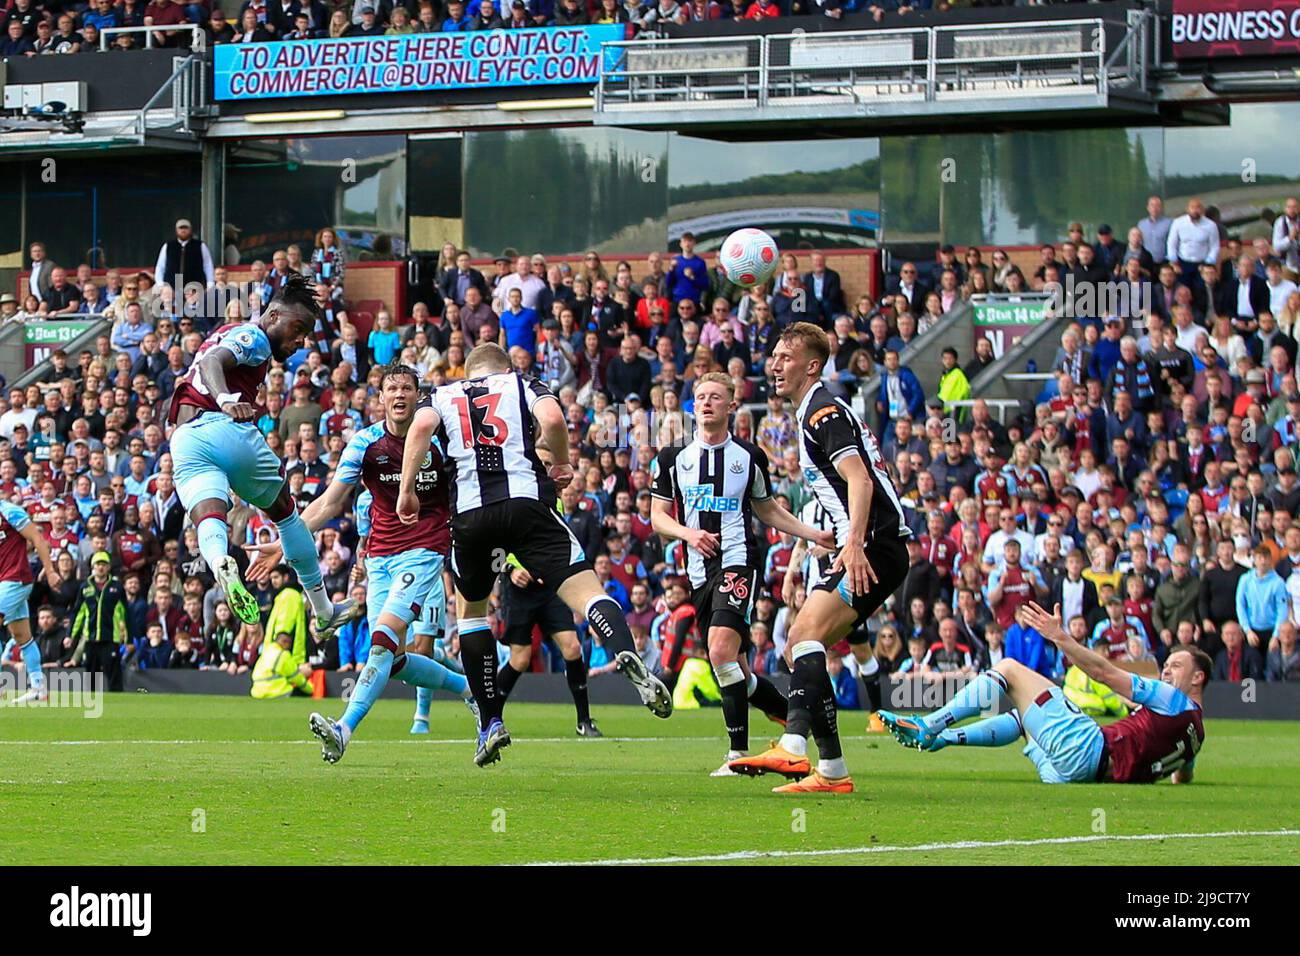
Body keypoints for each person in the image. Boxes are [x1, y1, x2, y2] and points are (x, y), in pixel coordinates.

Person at [396, 343, 673, 766]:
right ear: (506, 367)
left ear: (469, 371)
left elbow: (419, 428)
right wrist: (561, 463)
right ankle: (624, 650)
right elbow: (553, 418)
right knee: (588, 593)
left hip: (471, 516)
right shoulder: (522, 383)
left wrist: (406, 490)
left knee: (471, 616)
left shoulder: (444, 393)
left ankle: (490, 722)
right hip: (527, 506)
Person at [250, 365, 477, 759]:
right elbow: (329, 502)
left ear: (418, 396)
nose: (400, 395)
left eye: (407, 388)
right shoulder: (365, 443)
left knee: (381, 641)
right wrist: (285, 542)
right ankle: (471, 690)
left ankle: (343, 729)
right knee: (394, 659)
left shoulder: (441, 441)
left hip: (424, 550)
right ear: (381, 397)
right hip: (380, 559)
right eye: (392, 389)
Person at [729, 323, 912, 794]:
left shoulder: (822, 412)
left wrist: (854, 543)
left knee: (803, 637)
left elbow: (860, 479)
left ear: (812, 366)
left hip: (874, 546)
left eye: (785, 358)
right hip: (870, 545)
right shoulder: (815, 410)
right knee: (800, 645)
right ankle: (831, 769)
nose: (774, 366)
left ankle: (794, 746)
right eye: (773, 357)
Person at [651, 371, 833, 775]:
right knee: (738, 671)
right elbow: (657, 516)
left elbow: (767, 510)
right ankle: (794, 718)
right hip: (697, 571)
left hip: (738, 561)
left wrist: (813, 533)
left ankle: (737, 756)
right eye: (701, 397)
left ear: (731, 406)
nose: (707, 403)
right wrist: (689, 534)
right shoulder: (672, 458)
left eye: (715, 397)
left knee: (719, 651)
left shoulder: (749, 457)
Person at [166, 274, 356, 637]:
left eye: (305, 335)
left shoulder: (223, 332)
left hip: (186, 439)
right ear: (273, 316)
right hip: (224, 426)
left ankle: (220, 562)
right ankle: (324, 610)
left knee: (209, 515)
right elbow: (212, 365)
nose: (300, 342)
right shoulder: (253, 336)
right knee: (287, 518)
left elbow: (204, 363)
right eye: (297, 329)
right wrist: (226, 400)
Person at [881, 601, 1208, 785]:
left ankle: (931, 724)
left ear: (1198, 677)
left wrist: (1059, 637)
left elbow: (1104, 673)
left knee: (1009, 669)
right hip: (1075, 776)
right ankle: (944, 739)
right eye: (1166, 664)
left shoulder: (1171, 698)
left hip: (1086, 748)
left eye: (1176, 666)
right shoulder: (1197, 734)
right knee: (1024, 717)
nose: (1166, 671)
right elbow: (1183, 775)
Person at [494, 448, 601, 738]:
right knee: (520, 658)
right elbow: (491, 547)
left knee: (573, 647)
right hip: (519, 590)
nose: (546, 467)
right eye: (541, 462)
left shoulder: (555, 500)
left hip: (549, 587)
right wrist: (509, 569)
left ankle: (584, 720)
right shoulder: (506, 496)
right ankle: (490, 717)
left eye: (549, 463)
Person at [0, 499, 61, 703]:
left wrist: (50, 571)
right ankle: (38, 687)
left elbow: (38, 539)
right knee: (22, 636)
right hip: (4, 582)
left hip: (15, 579)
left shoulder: (8, 511)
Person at [68, 551, 128, 692]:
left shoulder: (117, 587)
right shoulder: (85, 587)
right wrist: (70, 635)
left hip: (110, 637)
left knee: (114, 676)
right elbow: (78, 613)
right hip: (91, 638)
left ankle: (118, 702)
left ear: (108, 567)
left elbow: (125, 613)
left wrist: (128, 636)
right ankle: (91, 703)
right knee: (91, 677)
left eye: (104, 564)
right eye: (98, 564)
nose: (100, 567)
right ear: (92, 567)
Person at [250, 630, 314, 700]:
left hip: (257, 692)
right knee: (300, 691)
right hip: (276, 692)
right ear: (285, 642)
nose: (289, 647)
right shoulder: (284, 655)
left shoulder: (267, 651)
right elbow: (295, 677)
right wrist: (311, 689)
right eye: (289, 643)